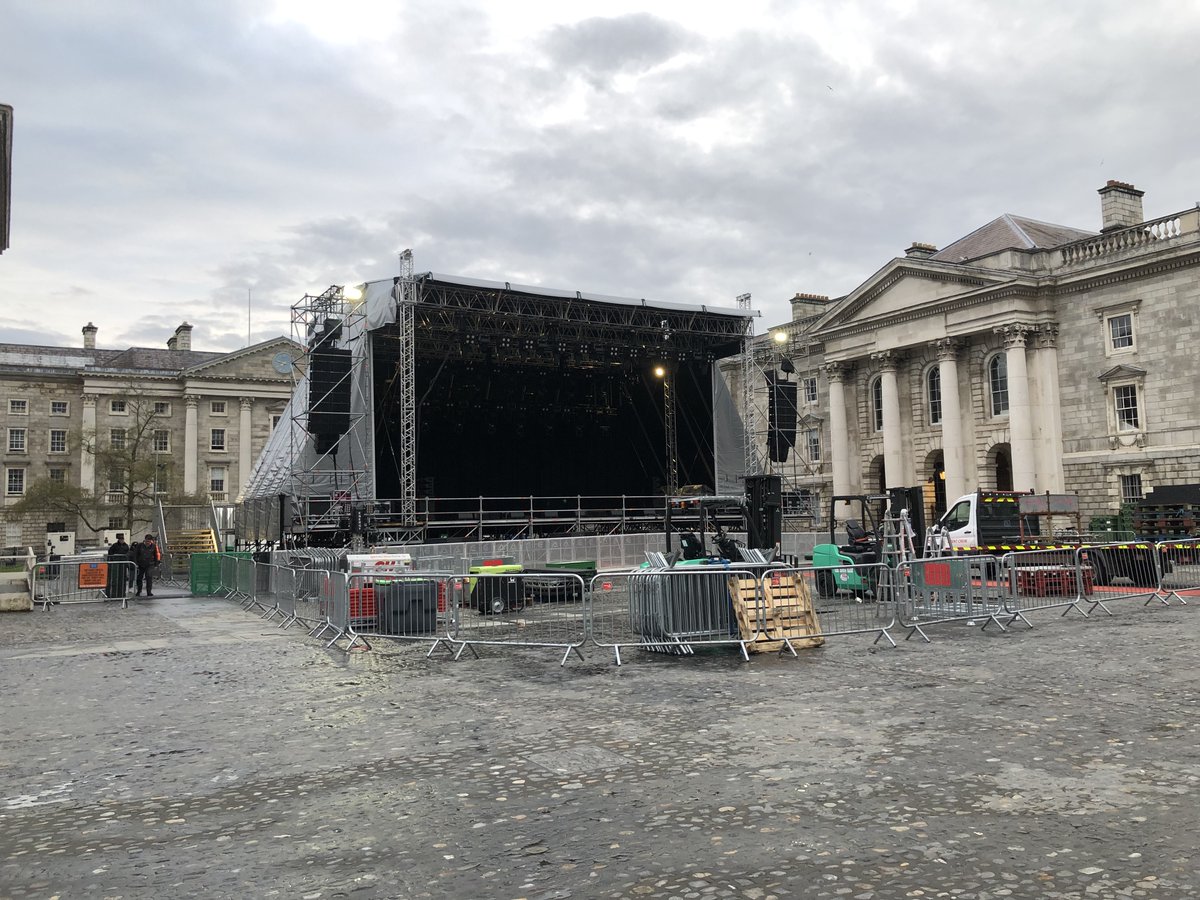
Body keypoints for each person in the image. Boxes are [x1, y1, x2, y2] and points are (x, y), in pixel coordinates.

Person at [132, 533, 160, 597]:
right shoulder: (139, 545)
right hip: (141, 564)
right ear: (144, 540)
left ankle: (149, 591)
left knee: (149, 577)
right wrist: (136, 563)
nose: (148, 542)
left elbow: (155, 555)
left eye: (149, 541)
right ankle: (139, 590)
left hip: (150, 564)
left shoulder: (153, 546)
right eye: (147, 541)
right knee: (139, 578)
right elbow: (135, 555)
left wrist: (156, 564)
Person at [106, 533, 131, 599]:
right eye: (120, 539)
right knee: (115, 579)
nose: (121, 540)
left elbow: (128, 554)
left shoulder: (126, 546)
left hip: (123, 564)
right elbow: (110, 553)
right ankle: (114, 593)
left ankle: (122, 593)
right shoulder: (114, 546)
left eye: (122, 539)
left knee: (122, 579)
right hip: (116, 564)